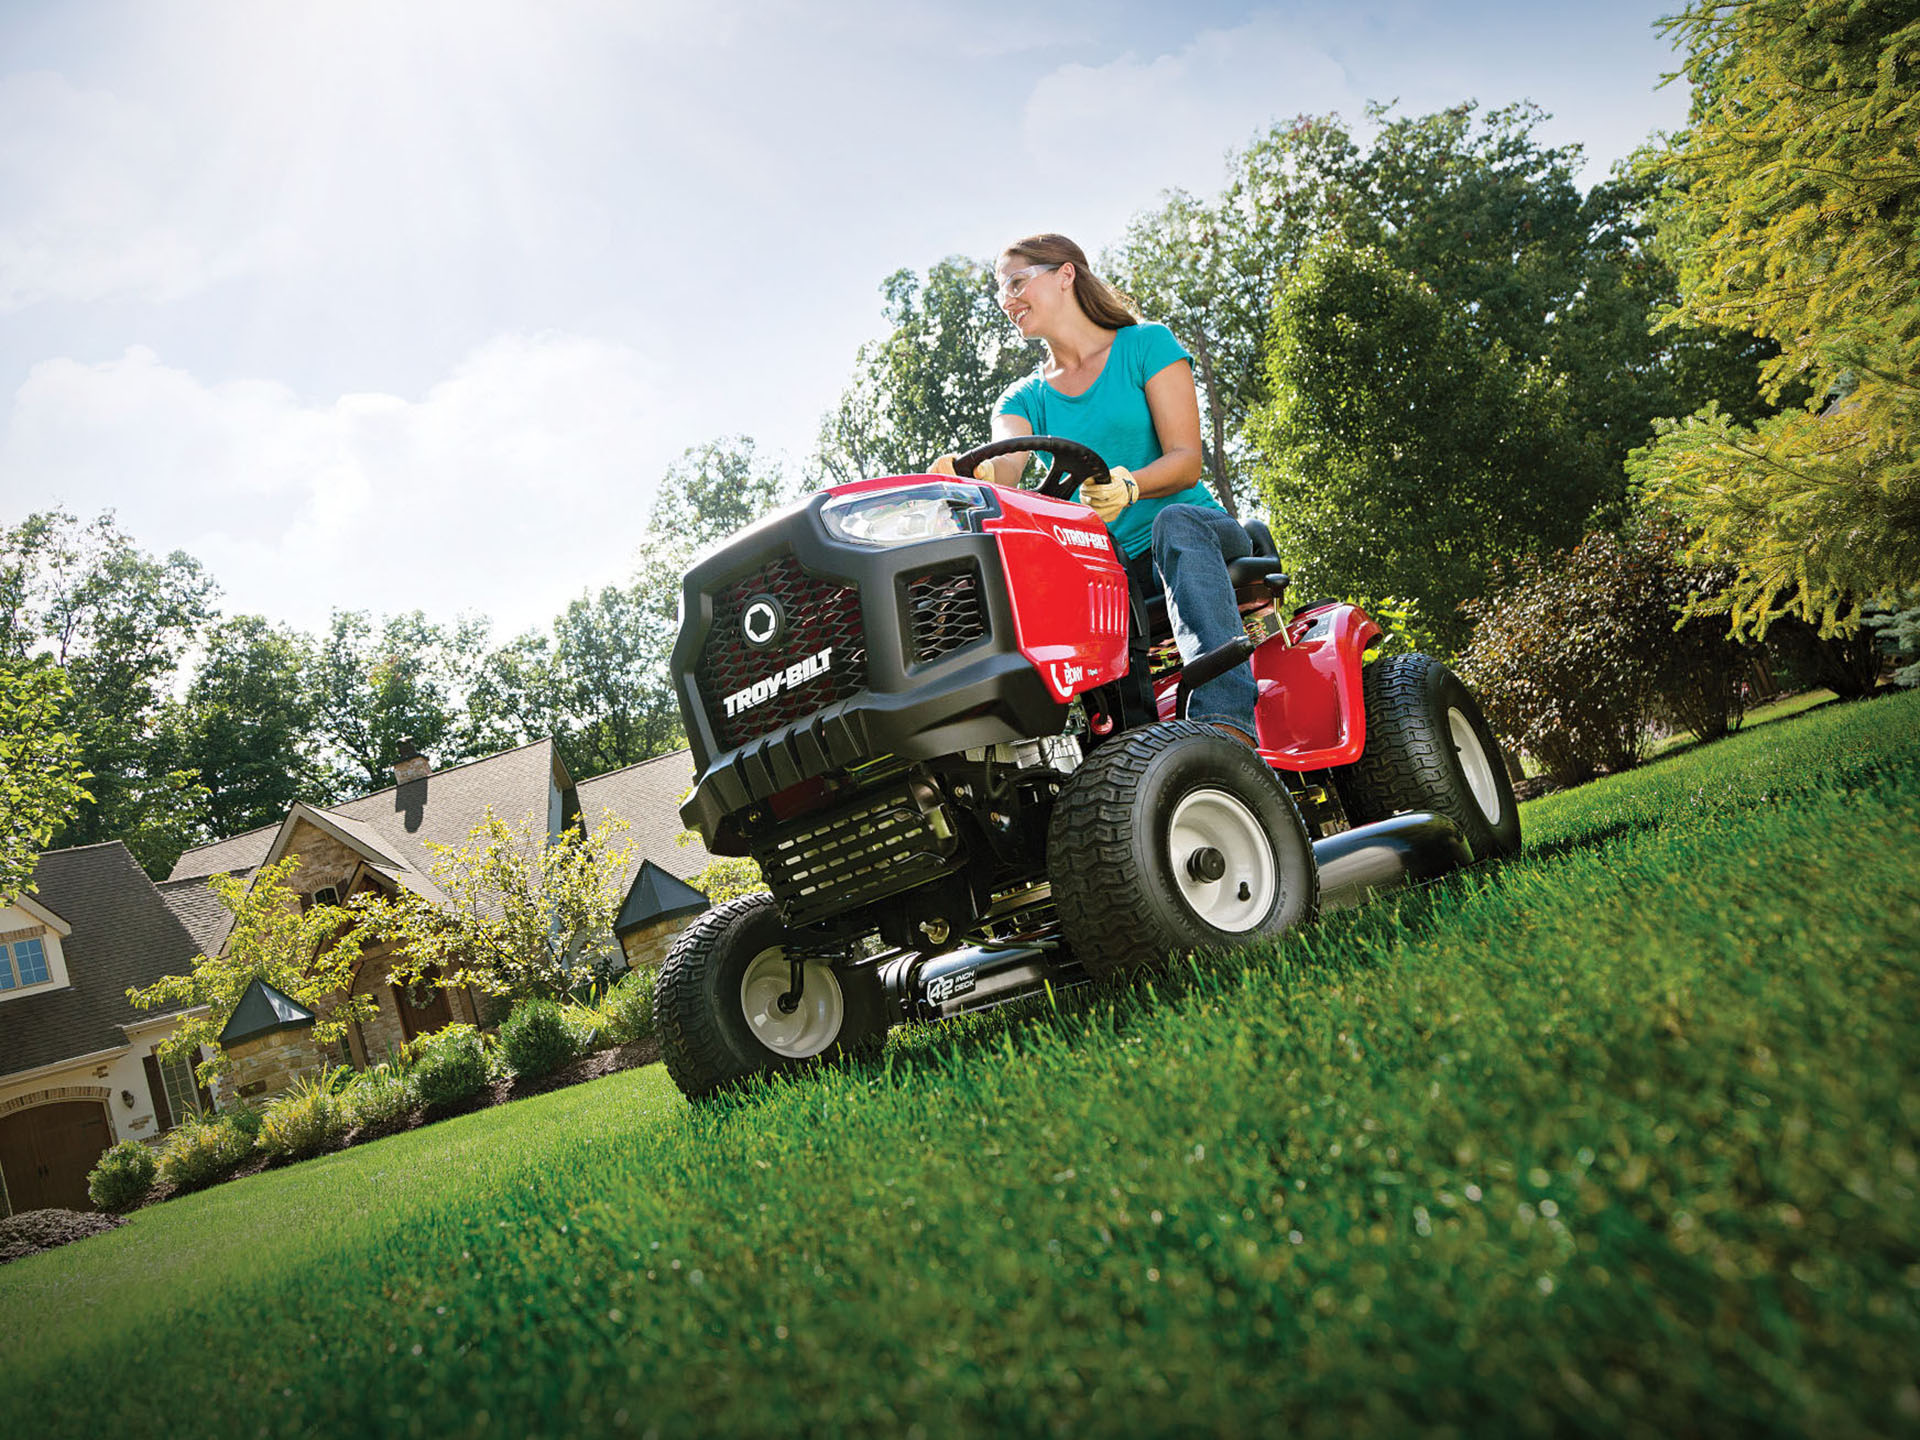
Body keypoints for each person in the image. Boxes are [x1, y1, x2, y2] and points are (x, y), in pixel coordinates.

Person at [933, 232, 1258, 744]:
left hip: (1201, 537)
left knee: (1175, 522)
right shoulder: (1025, 396)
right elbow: (1007, 464)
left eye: (1018, 282)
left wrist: (1131, 485)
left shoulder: (1146, 345)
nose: (1007, 301)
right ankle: (1129, 746)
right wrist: (966, 476)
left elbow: (1187, 462)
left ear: (1065, 275)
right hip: (1114, 573)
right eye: (1001, 292)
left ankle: (1228, 725)